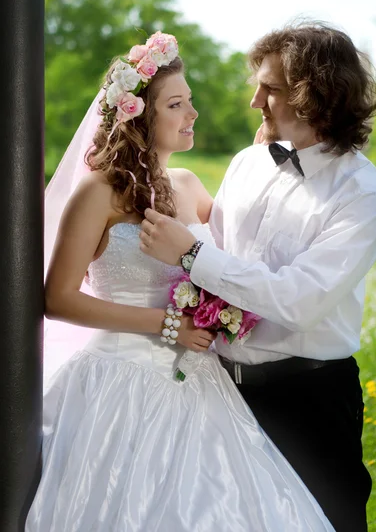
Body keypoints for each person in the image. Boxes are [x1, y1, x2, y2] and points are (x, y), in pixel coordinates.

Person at [26, 31, 333, 531]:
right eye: (176, 104)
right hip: (117, 380)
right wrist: (168, 324)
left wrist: (265, 164)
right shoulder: (98, 193)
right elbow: (58, 299)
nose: (192, 114)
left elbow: (244, 247)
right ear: (140, 115)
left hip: (198, 378)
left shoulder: (189, 185)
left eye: (189, 101)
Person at [140, 22, 376, 532]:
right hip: (221, 391)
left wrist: (192, 253)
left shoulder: (362, 193)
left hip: (310, 401)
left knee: (331, 521)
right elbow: (226, 260)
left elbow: (300, 300)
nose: (256, 100)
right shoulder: (247, 162)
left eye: (271, 88)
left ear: (317, 95)